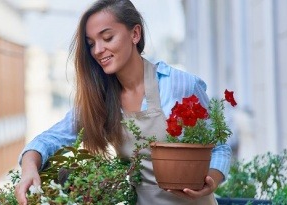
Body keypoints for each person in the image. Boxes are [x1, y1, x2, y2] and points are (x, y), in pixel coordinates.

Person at [14, 0, 232, 204]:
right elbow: (50, 138)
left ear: (135, 34)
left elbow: (220, 147)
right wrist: (29, 169)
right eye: (91, 43)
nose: (98, 50)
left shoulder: (179, 84)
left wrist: (210, 180)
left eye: (107, 38)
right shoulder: (100, 99)